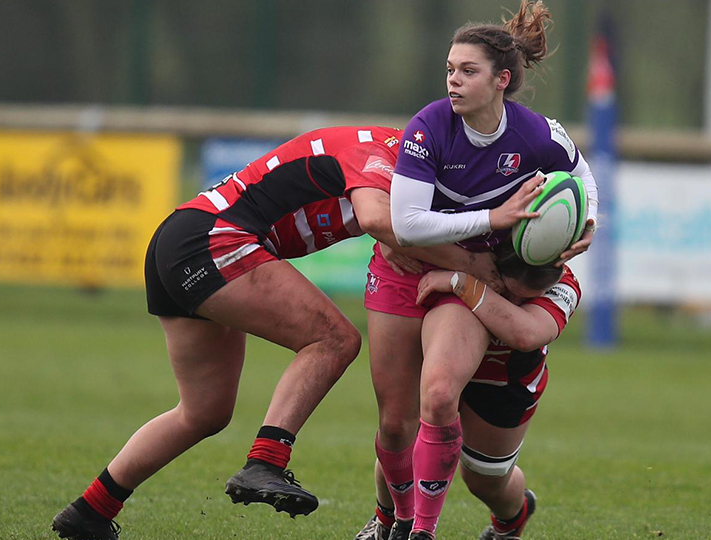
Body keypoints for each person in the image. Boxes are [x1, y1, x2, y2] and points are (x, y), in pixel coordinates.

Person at [50, 126, 499, 540]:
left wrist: (399, 237)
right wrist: (477, 268)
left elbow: (390, 222)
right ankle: (266, 460)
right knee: (335, 339)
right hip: (213, 239)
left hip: (182, 238)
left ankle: (91, 511)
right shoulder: (384, 149)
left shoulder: (397, 167)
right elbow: (380, 219)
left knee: (204, 412)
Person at [363, 2, 599, 539]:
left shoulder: (538, 136)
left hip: (470, 284)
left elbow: (584, 182)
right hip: (431, 272)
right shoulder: (428, 128)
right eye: (449, 69)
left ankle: (511, 516)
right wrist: (494, 219)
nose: (453, 80)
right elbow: (406, 224)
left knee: (486, 476)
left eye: (468, 71)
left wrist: (585, 226)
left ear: (502, 80)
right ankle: (404, 528)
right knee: (406, 419)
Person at [357, 246, 580, 540]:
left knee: (484, 480)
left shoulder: (565, 285)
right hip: (448, 353)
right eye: (513, 290)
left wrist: (461, 284)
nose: (519, 298)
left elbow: (525, 334)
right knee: (404, 435)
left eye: (530, 294)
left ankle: (512, 516)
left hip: (502, 380)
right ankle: (387, 519)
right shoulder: (476, 254)